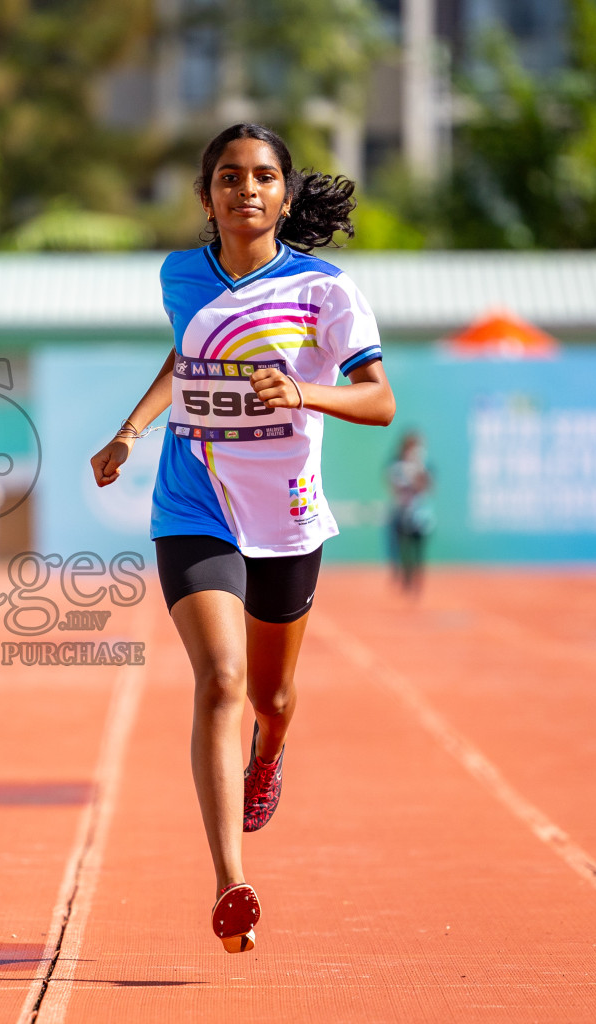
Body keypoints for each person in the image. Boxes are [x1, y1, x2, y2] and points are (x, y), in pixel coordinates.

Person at [90, 124, 394, 953]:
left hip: (287, 515)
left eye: (263, 177)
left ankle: (271, 753)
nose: (245, 190)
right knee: (220, 680)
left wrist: (302, 393)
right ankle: (231, 881)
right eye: (229, 177)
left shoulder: (326, 292)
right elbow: (186, 358)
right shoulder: (180, 274)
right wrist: (132, 429)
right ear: (206, 196)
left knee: (272, 699)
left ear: (286, 198)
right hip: (195, 501)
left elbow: (379, 400)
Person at [386, 431, 433, 597]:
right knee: (402, 548)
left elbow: (427, 486)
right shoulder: (397, 467)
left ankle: (417, 580)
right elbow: (395, 486)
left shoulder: (423, 466)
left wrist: (419, 472)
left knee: (418, 550)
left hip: (419, 515)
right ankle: (405, 576)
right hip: (402, 513)